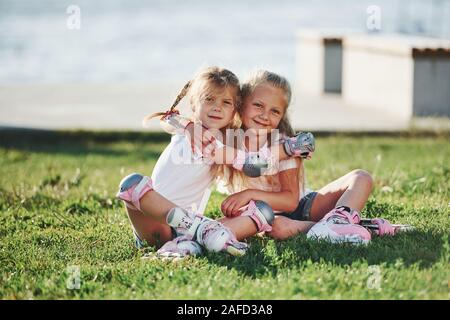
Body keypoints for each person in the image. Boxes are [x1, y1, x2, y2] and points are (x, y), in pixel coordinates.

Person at [116, 66, 314, 259]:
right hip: (154, 224)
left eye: (226, 102)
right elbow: (169, 118)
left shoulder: (224, 141)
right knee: (132, 183)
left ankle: (191, 243)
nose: (217, 107)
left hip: (183, 230)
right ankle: (200, 232)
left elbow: (255, 164)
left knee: (262, 213)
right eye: (209, 99)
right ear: (194, 104)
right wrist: (288, 148)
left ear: (235, 109)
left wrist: (287, 147)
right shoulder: (194, 132)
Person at [217, 70, 395, 244]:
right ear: (241, 104)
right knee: (278, 227)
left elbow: (290, 202)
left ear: (282, 115)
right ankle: (351, 227)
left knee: (361, 177)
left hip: (304, 206)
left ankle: (336, 223)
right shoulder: (228, 141)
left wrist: (249, 194)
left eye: (275, 111)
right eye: (258, 105)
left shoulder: (286, 146)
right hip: (267, 216)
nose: (265, 116)